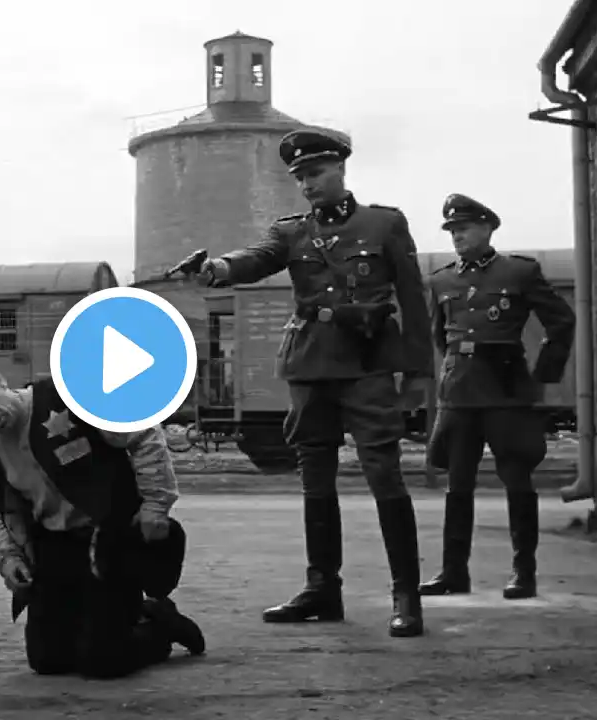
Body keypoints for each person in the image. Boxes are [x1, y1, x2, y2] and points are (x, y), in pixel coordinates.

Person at [196, 127, 434, 638]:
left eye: (316, 173)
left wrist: (417, 373)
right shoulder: (291, 232)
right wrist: (218, 268)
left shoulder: (384, 224)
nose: (308, 184)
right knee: (315, 479)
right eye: (300, 176)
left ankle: (406, 595)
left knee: (384, 475)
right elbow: (257, 258)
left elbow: (414, 302)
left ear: (340, 169)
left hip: (368, 366)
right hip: (310, 366)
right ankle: (322, 588)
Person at [0, 362, 205, 679]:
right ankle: (116, 619)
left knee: (103, 662)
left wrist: (155, 505)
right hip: (54, 547)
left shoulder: (68, 396)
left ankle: (159, 622)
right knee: (48, 660)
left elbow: (143, 433)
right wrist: (8, 558)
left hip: (109, 540)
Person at [419, 193, 576, 600]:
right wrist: (454, 369)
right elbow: (440, 337)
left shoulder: (519, 272)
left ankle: (524, 572)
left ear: (488, 229)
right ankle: (453, 572)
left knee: (517, 480)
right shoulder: (441, 281)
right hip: (460, 391)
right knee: (457, 484)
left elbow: (561, 320)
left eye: (464, 228)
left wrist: (543, 375)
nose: (457, 236)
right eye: (452, 231)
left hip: (506, 390)